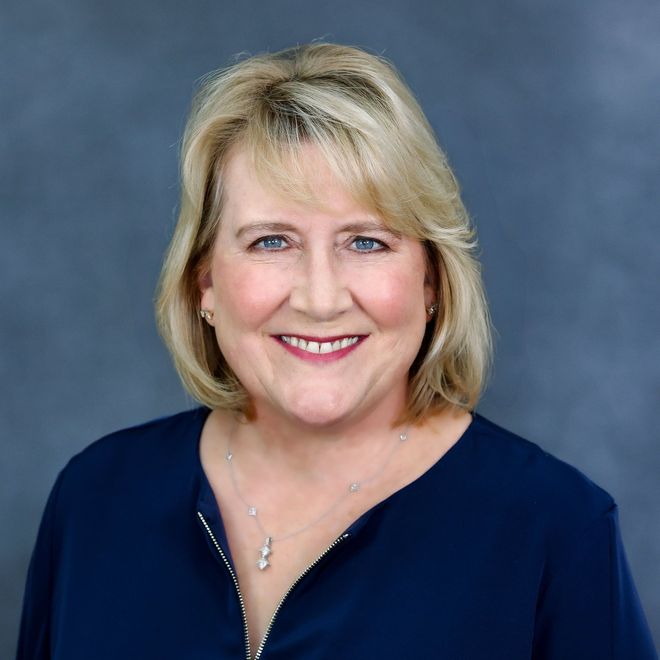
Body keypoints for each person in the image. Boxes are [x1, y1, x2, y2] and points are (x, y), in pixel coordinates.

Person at [17, 43, 657, 660]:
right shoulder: (95, 501)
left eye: (367, 242)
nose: (320, 299)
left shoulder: (555, 530)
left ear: (431, 281)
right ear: (204, 283)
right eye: (272, 241)